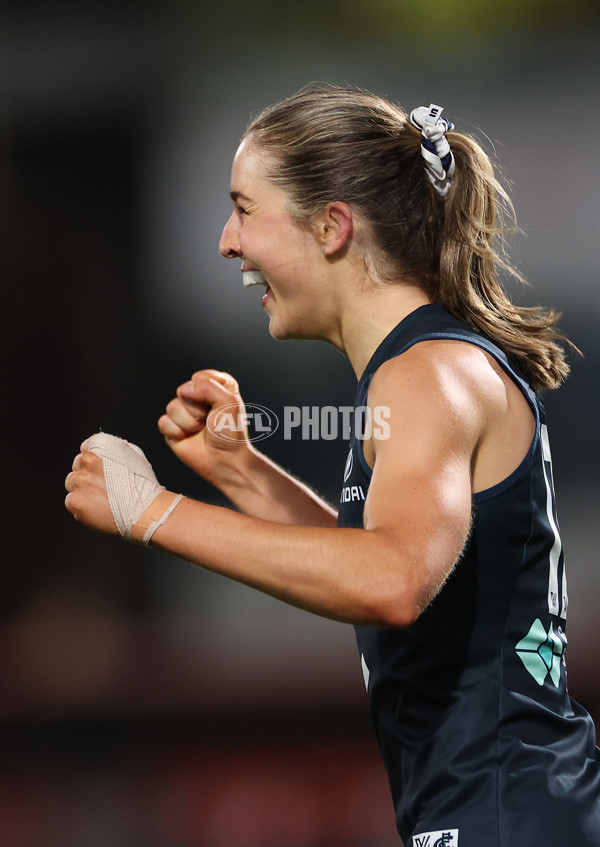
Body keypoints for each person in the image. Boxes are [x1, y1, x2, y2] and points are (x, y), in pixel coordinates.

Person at [65, 85, 600, 846]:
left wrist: (151, 511)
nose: (226, 241)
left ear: (332, 226)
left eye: (245, 209)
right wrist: (242, 471)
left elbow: (392, 580)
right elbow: (387, 567)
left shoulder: (424, 374)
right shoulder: (421, 366)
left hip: (506, 819)